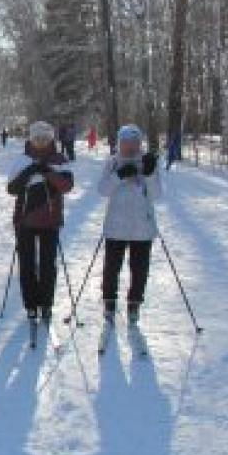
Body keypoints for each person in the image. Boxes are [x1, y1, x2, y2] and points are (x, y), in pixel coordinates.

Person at [6, 120, 73, 323]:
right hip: (24, 220)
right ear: (31, 139)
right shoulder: (22, 160)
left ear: (51, 139)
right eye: (37, 138)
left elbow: (67, 185)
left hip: (50, 220)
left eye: (45, 138)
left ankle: (46, 304)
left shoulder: (59, 159)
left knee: (47, 265)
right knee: (26, 264)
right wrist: (28, 172)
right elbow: (11, 189)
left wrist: (47, 172)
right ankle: (30, 305)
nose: (41, 142)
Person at [98, 124, 162, 323]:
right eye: (126, 143)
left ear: (139, 143)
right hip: (116, 226)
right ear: (119, 143)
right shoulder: (112, 162)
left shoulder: (147, 162)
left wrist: (150, 174)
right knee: (111, 268)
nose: (130, 147)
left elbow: (156, 194)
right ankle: (109, 302)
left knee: (140, 269)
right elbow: (102, 190)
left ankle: (134, 304)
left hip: (142, 227)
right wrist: (119, 176)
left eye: (134, 143)